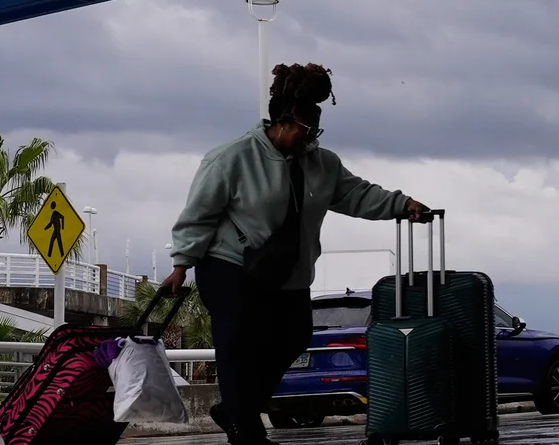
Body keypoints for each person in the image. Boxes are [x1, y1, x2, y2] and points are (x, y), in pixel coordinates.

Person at [161, 63, 431, 445]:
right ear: (283, 120)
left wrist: (402, 205)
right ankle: (245, 430)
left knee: (294, 335)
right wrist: (181, 264)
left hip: (286, 270)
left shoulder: (323, 164)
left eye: (315, 130)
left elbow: (358, 194)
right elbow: (198, 214)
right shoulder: (232, 158)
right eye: (305, 128)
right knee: (237, 342)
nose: (310, 138)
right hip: (230, 265)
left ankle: (238, 408)